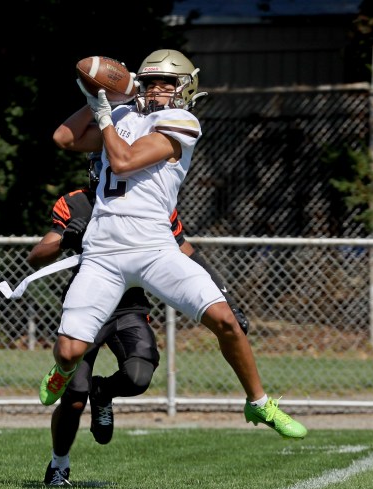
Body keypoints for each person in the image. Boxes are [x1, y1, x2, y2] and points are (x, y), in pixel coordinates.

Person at [43, 48, 307, 440]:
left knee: (226, 322)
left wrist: (106, 118)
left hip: (154, 248)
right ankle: (62, 372)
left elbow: (124, 161)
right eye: (151, 83)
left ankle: (259, 403)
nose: (158, 91)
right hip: (102, 251)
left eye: (167, 84)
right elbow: (63, 138)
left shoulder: (182, 120)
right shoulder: (121, 114)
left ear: (185, 89)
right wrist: (97, 100)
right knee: (68, 352)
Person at [29, 154, 250, 486]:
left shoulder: (151, 201)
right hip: (89, 307)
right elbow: (36, 257)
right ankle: (59, 464)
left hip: (128, 308)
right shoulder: (75, 203)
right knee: (74, 397)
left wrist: (225, 299)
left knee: (138, 376)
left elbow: (188, 253)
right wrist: (66, 239)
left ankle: (102, 391)